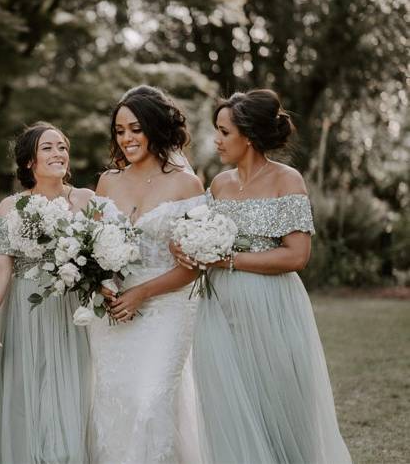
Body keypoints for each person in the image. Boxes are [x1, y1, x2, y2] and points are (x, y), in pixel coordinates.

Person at [173, 89, 352, 463]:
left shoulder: (287, 180)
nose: (217, 140)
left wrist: (229, 260)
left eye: (224, 132)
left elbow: (297, 254)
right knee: (227, 399)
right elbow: (197, 231)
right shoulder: (219, 184)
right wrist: (185, 245)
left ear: (249, 135)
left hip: (272, 304)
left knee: (276, 397)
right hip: (218, 307)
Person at [89, 85, 205, 463]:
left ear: (155, 127)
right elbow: (91, 250)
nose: (126, 139)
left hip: (167, 307)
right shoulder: (107, 182)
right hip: (114, 314)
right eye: (120, 131)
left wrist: (142, 293)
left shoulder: (186, 184)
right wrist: (104, 285)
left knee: (150, 400)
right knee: (115, 401)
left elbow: (194, 267)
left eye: (135, 129)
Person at [0, 122, 94, 463]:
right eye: (48, 148)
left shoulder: (86, 199)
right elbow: (2, 268)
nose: (58, 154)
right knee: (29, 398)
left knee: (74, 394)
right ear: (29, 161)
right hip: (26, 309)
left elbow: (102, 260)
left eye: (62, 147)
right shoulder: (9, 207)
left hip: (72, 311)